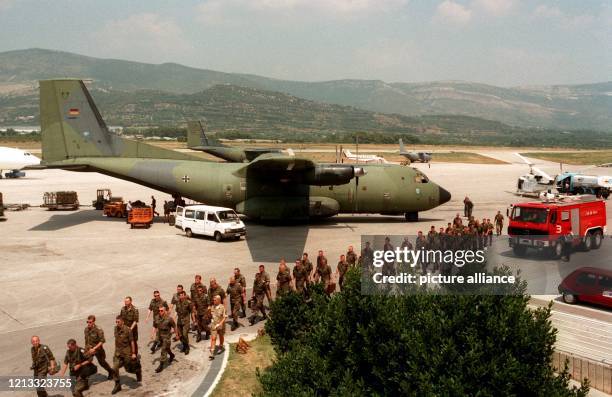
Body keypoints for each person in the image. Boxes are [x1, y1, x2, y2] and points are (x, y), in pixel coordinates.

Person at [111, 316, 140, 395]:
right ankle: (117, 385)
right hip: (118, 353)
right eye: (116, 322)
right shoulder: (115, 329)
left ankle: (137, 371)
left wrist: (133, 353)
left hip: (127, 352)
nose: (117, 323)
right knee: (114, 367)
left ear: (122, 322)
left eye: (118, 322)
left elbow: (132, 342)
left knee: (128, 369)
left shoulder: (128, 330)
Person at [84, 315, 114, 379]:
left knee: (102, 363)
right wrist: (86, 350)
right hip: (89, 349)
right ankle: (85, 377)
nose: (88, 324)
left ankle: (111, 371)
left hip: (98, 349)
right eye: (87, 322)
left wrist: (94, 348)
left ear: (94, 322)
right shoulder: (86, 329)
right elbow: (86, 341)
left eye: (90, 322)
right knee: (85, 361)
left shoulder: (98, 329)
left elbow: (102, 341)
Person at [154, 306, 177, 373]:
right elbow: (155, 326)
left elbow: (174, 326)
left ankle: (161, 365)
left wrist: (177, 335)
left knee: (163, 349)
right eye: (159, 310)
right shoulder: (157, 317)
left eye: (162, 310)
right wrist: (153, 334)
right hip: (160, 336)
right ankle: (172, 355)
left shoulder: (169, 319)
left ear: (165, 311)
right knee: (167, 348)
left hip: (166, 337)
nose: (160, 312)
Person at [209, 295, 227, 360]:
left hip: (220, 325)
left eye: (215, 300)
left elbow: (224, 317)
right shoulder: (212, 307)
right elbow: (211, 315)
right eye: (213, 300)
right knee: (213, 338)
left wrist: (220, 324)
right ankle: (212, 353)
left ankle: (221, 346)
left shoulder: (222, 307)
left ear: (219, 300)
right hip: (213, 325)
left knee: (221, 336)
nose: (214, 301)